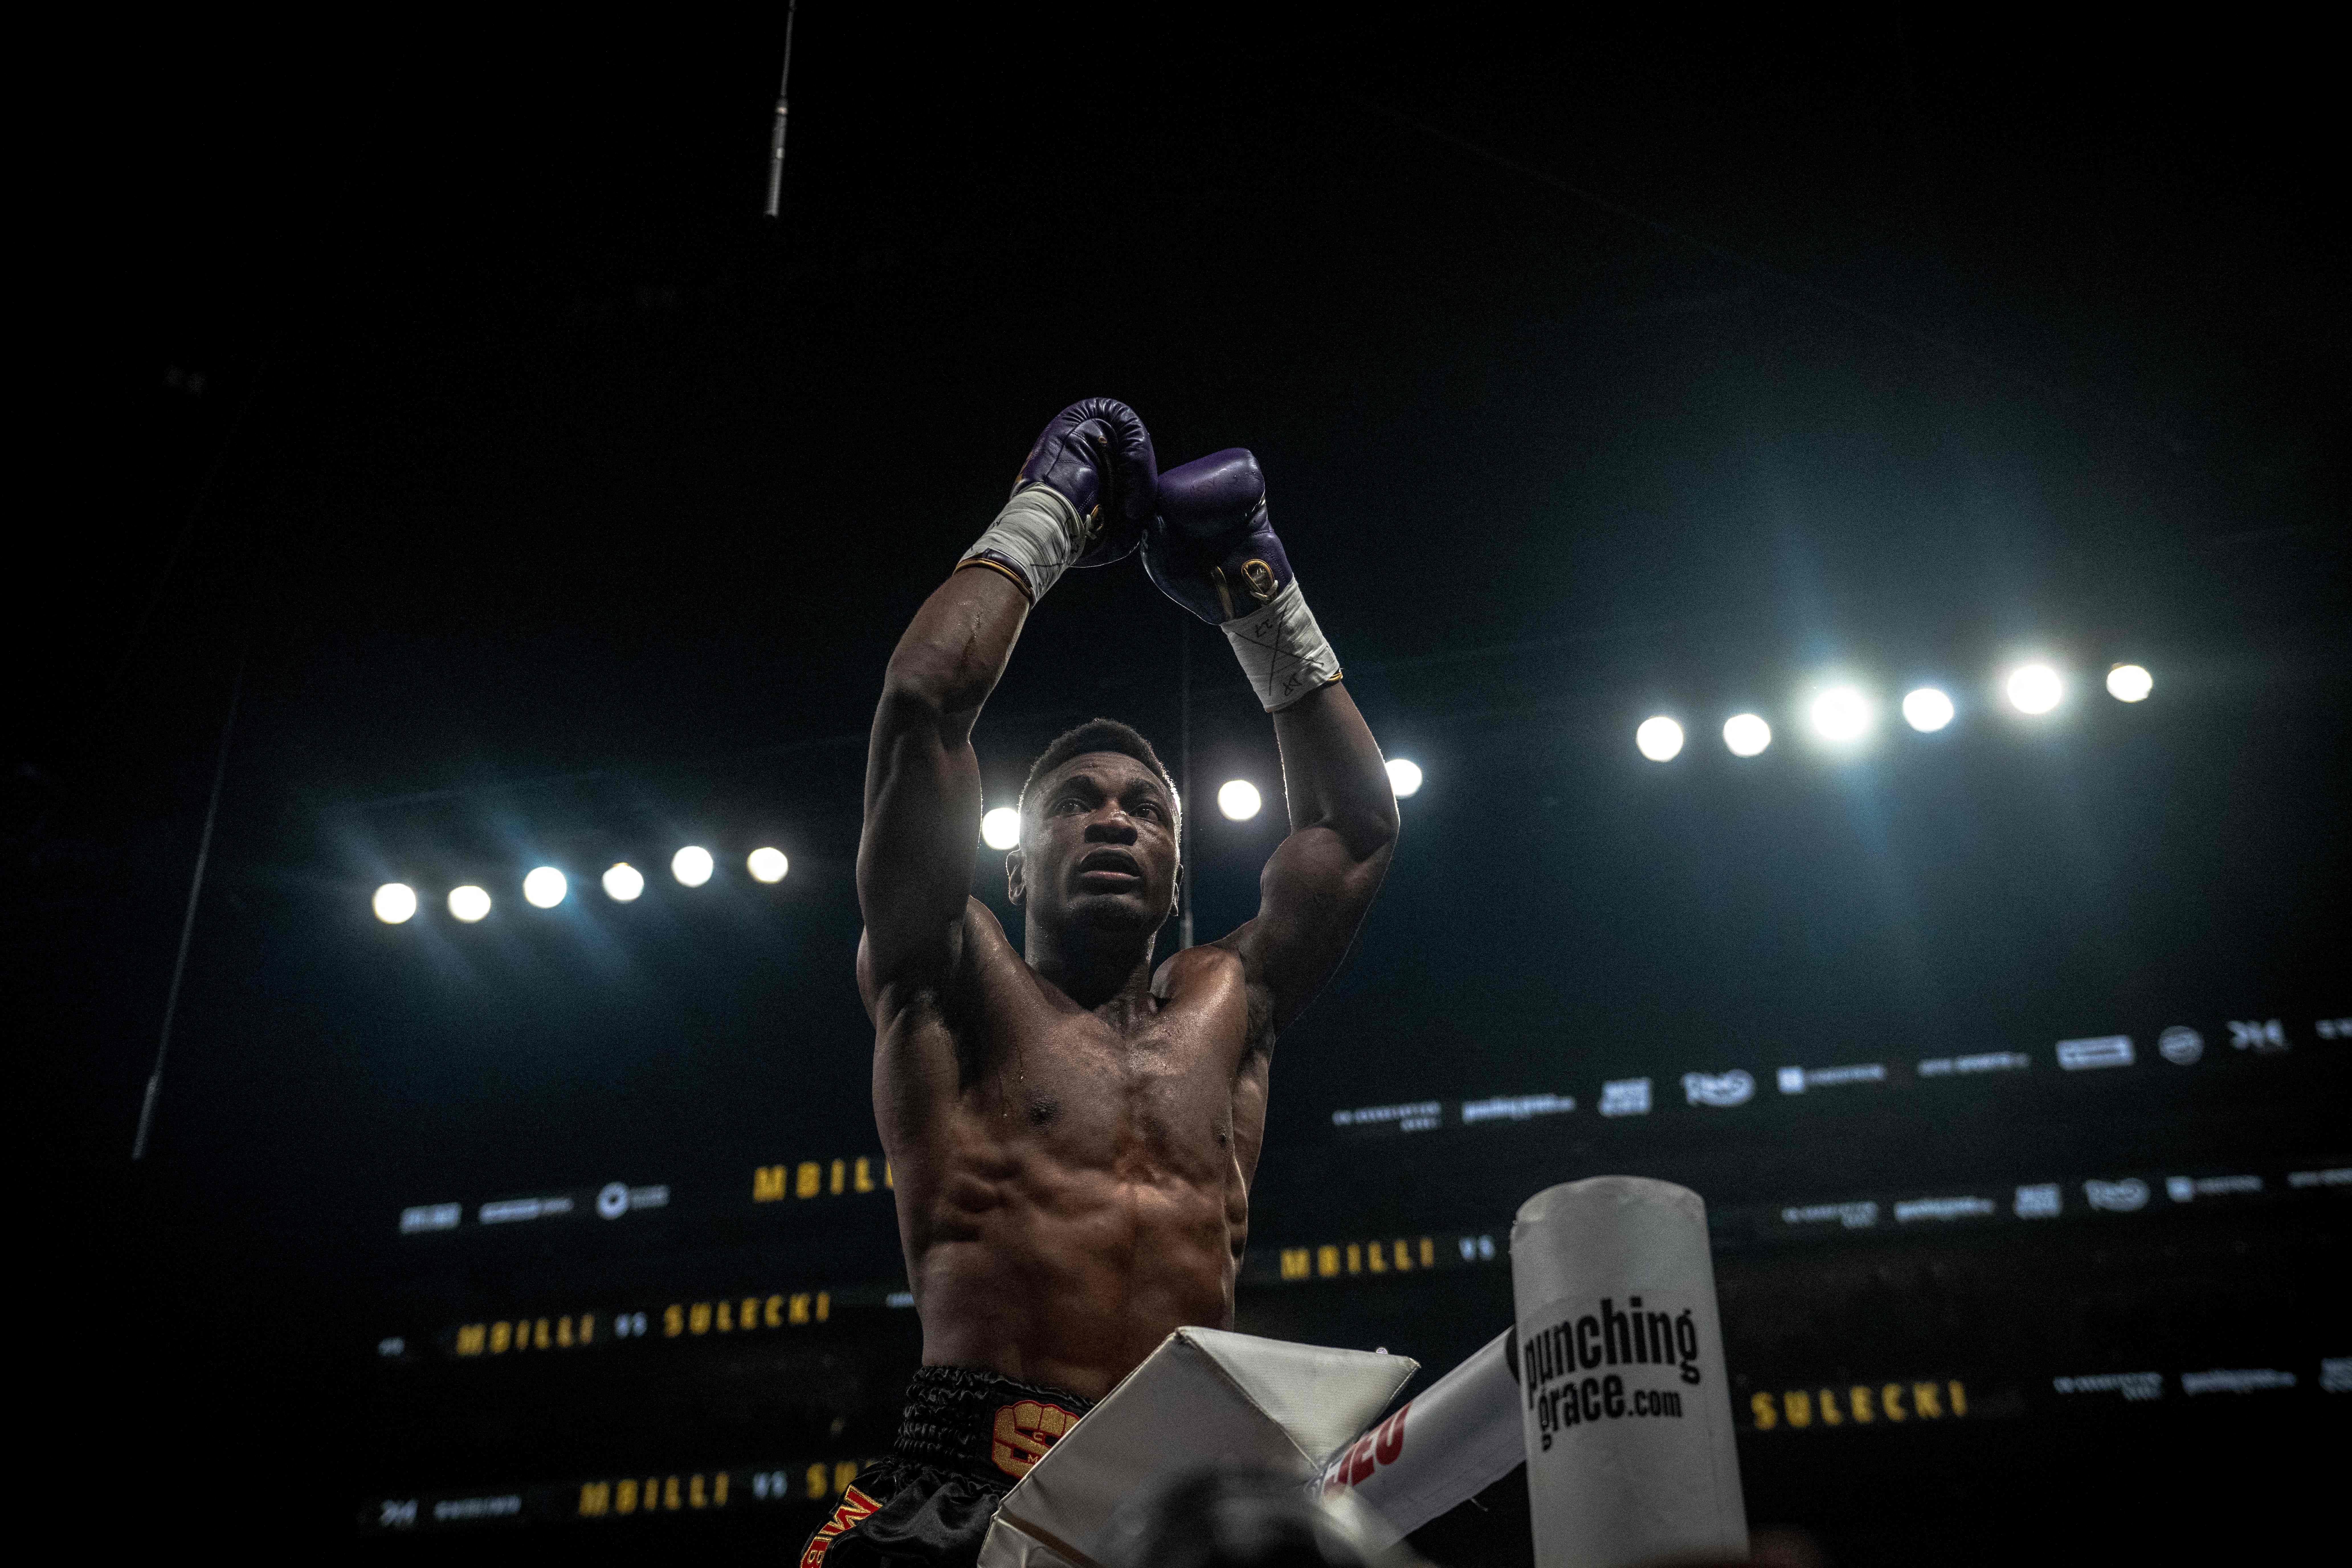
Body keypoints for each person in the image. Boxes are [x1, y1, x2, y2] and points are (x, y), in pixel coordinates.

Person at [803, 400, 1400, 1566]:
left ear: (1179, 864)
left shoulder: (1231, 1002)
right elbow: (926, 695)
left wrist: (1257, 589)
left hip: (1182, 1503)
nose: (1114, 818)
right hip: (966, 1481)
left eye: (1145, 807)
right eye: (1075, 803)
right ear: (1016, 857)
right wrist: (1050, 513)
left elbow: (1358, 828)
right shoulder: (947, 969)